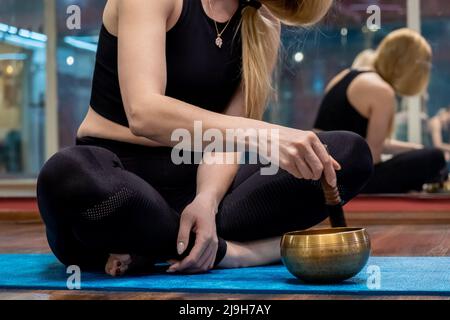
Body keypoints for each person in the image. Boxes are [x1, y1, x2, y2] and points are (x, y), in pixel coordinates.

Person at [37, 0, 373, 277]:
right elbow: (144, 112)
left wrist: (207, 201)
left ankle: (163, 245)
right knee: (65, 175)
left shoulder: (264, 23)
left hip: (197, 186)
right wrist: (264, 134)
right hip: (120, 182)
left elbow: (224, 142)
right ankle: (243, 250)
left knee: (346, 153)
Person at [315, 28, 447, 194]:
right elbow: (372, 160)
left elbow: (370, 144)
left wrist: (414, 148)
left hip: (323, 173)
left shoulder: (346, 75)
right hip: (349, 179)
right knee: (434, 157)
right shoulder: (382, 91)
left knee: (422, 154)